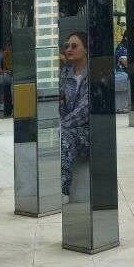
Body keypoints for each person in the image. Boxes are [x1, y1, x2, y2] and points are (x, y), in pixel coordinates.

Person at [59, 30, 90, 198]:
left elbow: (85, 109)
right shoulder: (64, 74)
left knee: (63, 137)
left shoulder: (94, 73)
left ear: (86, 49)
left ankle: (62, 190)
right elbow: (56, 102)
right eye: (67, 46)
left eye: (74, 46)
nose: (69, 49)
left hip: (89, 131)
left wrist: (61, 126)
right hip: (67, 127)